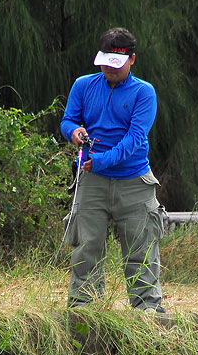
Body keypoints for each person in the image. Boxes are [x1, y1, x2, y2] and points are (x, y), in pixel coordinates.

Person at [60, 27, 167, 315]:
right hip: (92, 181)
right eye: (105, 62)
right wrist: (74, 132)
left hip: (134, 182)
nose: (109, 69)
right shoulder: (83, 85)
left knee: (140, 251)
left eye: (116, 64)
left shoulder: (144, 92)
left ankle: (148, 312)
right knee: (87, 247)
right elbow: (68, 120)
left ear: (132, 60)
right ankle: (83, 310)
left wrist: (102, 160)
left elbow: (136, 139)